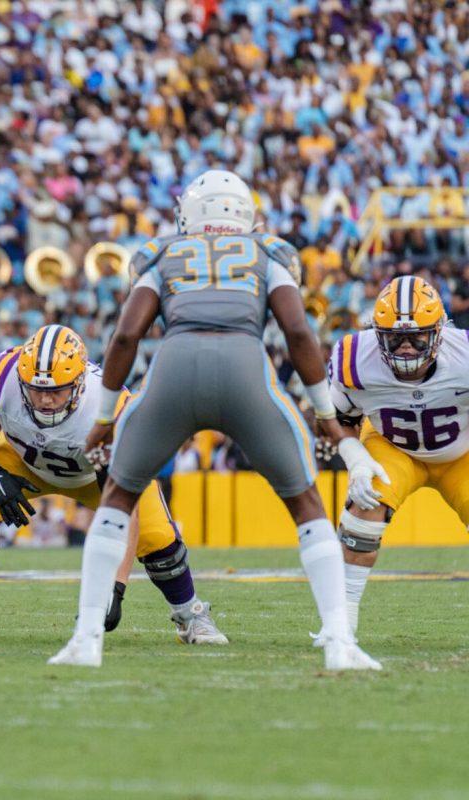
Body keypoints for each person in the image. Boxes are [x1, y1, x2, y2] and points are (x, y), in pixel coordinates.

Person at [54, 169, 385, 671]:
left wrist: (103, 416)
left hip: (174, 366)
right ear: (246, 215)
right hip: (245, 367)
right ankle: (340, 641)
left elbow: (125, 336)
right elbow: (297, 331)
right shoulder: (269, 251)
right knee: (307, 503)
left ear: (189, 214)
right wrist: (323, 412)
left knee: (118, 496)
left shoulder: (161, 252)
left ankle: (85, 639)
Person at [0, 325, 226, 645]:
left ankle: (191, 614)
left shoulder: (109, 407)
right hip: (25, 464)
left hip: (95, 476)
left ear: (77, 384)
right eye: (36, 390)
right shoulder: (2, 379)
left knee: (158, 537)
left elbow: (124, 509)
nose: (45, 400)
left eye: (56, 390)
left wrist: (114, 588)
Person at [329, 276, 469, 633]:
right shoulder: (354, 360)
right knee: (364, 511)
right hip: (393, 447)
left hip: (461, 453)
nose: (406, 347)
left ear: (438, 332)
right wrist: (355, 458)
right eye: (395, 338)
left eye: (416, 336)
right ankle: (342, 622)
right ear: (378, 334)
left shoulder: (464, 355)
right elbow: (337, 418)